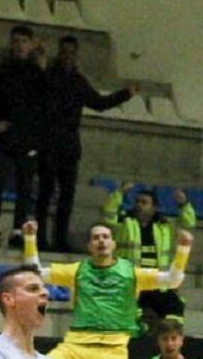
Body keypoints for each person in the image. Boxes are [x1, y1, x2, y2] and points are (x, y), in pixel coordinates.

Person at [22, 219, 193, 359]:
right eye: (96, 238)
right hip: (75, 349)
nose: (101, 241)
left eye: (105, 237)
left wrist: (183, 249)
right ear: (90, 246)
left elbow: (173, 280)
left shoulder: (130, 272)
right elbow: (34, 273)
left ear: (113, 243)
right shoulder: (78, 270)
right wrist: (30, 238)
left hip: (112, 354)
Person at [39, 37, 136, 252]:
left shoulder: (78, 81)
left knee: (66, 195)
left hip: (69, 146)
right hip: (48, 142)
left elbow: (99, 104)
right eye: (64, 52)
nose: (67, 56)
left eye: (71, 52)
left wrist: (124, 94)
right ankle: (40, 239)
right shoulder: (48, 76)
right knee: (45, 193)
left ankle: (60, 239)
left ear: (76, 55)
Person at [0, 25, 48, 248]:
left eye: (24, 41)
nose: (19, 45)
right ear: (11, 44)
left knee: (25, 186)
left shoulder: (38, 74)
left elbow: (45, 107)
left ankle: (17, 229)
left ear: (31, 45)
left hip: (27, 139)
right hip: (3, 138)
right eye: (16, 41)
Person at [102, 184, 196, 328]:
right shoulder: (123, 222)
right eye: (137, 201)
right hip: (131, 281)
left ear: (154, 207)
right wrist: (119, 193)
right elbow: (108, 212)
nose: (139, 205)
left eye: (144, 202)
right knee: (135, 319)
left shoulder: (164, 225)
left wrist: (183, 204)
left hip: (157, 281)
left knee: (174, 308)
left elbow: (189, 223)